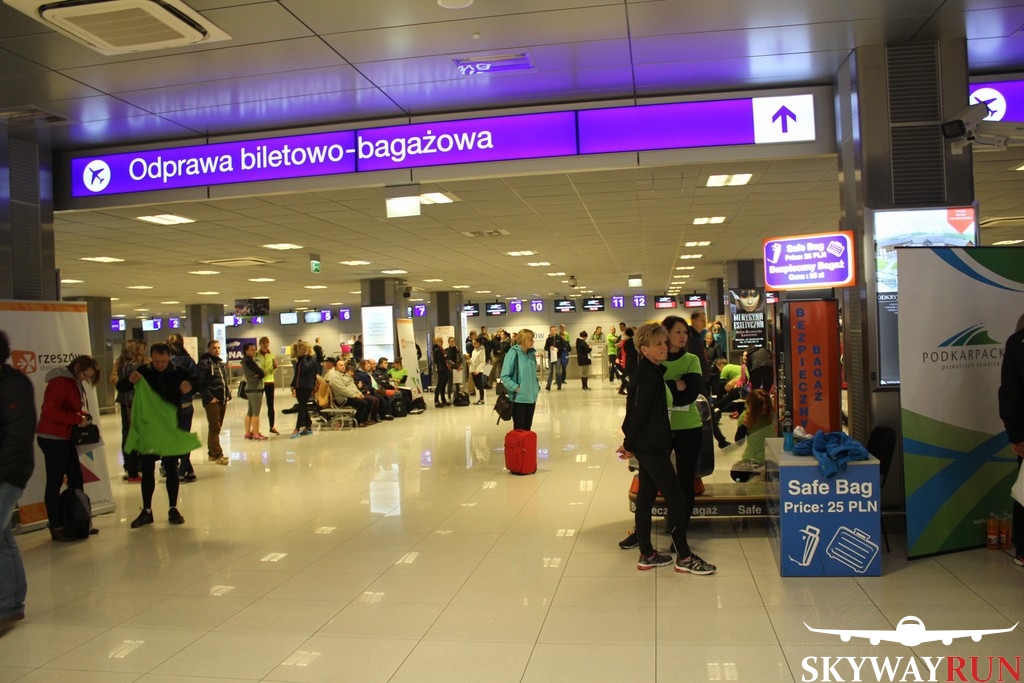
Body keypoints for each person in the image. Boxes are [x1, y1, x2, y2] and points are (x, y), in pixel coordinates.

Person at [621, 323, 715, 575]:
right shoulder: (649, 376)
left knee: (646, 497)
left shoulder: (652, 371)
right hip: (651, 446)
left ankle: (647, 554)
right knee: (676, 496)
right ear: (644, 349)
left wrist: (630, 441)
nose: (665, 347)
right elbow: (638, 412)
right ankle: (684, 557)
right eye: (658, 344)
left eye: (664, 342)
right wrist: (629, 444)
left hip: (652, 444)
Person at [125, 342, 197, 528]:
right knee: (147, 468)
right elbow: (121, 386)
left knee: (171, 467)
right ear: (151, 358)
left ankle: (173, 508)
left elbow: (200, 382)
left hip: (170, 427)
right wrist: (129, 381)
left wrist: (191, 385)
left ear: (168, 358)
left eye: (163, 361)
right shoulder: (143, 371)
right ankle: (147, 510)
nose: (159, 365)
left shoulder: (179, 371)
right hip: (149, 428)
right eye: (156, 361)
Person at [36, 354, 101, 542]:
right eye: (85, 375)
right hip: (52, 438)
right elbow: (50, 411)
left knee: (76, 477)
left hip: (64, 437)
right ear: (77, 367)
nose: (85, 379)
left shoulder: (73, 382)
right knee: (55, 482)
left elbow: (67, 407)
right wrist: (76, 419)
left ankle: (78, 520)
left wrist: (81, 414)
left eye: (88, 377)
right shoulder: (60, 382)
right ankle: (57, 526)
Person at [0, 330, 35, 634]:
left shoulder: (14, 386)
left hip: (8, 474)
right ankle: (11, 604)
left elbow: (16, 438)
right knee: (3, 537)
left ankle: (7, 607)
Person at [998, 313, 1024, 567]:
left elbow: (1010, 394)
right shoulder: (1018, 344)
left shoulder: (1017, 343)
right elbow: (1011, 394)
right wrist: (1016, 434)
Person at [167, 333, 200, 481]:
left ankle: (182, 470)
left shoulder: (167, 362)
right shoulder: (188, 360)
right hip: (186, 404)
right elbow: (197, 379)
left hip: (172, 406)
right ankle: (188, 469)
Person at [111, 339, 145, 482]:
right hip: (134, 403)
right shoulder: (135, 366)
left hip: (125, 403)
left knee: (127, 435)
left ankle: (130, 468)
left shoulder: (121, 365)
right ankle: (134, 470)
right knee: (135, 436)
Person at [197, 340, 230, 464]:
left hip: (221, 398)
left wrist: (227, 394)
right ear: (209, 348)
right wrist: (209, 397)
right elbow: (200, 382)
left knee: (216, 427)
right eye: (214, 348)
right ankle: (217, 454)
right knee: (215, 427)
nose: (217, 350)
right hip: (212, 401)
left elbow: (223, 380)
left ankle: (212, 453)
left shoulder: (219, 363)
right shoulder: (204, 363)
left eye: (218, 348)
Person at [500, 329, 540, 431]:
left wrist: (536, 387)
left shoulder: (531, 354)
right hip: (519, 399)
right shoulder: (513, 353)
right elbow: (504, 376)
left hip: (531, 397)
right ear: (523, 340)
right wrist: (516, 388)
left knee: (527, 428)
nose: (533, 342)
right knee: (519, 429)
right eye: (530, 339)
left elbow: (533, 374)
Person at [323, 358, 371, 426]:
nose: (343, 367)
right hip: (343, 399)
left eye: (344, 365)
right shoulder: (334, 377)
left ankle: (364, 420)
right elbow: (342, 390)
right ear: (335, 367)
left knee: (370, 401)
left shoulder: (345, 375)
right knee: (363, 403)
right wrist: (354, 395)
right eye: (341, 365)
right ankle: (358, 421)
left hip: (350, 396)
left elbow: (353, 386)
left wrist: (359, 393)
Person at [290, 340, 318, 437]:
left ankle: (297, 428)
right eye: (301, 349)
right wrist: (293, 384)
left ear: (309, 349)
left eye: (304, 349)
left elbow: (306, 368)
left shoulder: (312, 359)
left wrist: (305, 357)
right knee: (303, 406)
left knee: (301, 407)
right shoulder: (300, 359)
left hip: (307, 386)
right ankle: (308, 426)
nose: (302, 351)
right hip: (299, 386)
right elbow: (297, 373)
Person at [241, 342, 268, 440]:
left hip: (249, 388)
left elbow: (259, 373)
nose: (254, 351)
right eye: (252, 350)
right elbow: (261, 372)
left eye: (254, 349)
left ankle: (248, 433)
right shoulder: (249, 361)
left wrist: (259, 373)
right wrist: (260, 373)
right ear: (246, 351)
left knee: (250, 411)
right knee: (255, 413)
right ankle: (256, 433)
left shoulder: (245, 361)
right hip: (255, 388)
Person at [257, 336, 279, 434]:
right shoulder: (256, 355)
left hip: (269, 382)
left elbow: (273, 370)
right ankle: (256, 428)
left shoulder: (271, 355)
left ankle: (272, 426)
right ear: (260, 344)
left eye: (267, 343)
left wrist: (274, 367)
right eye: (263, 343)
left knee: (270, 405)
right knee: (257, 406)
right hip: (259, 382)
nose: (265, 345)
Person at [432, 337, 451, 407]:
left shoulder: (442, 349)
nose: (441, 343)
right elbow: (441, 359)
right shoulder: (436, 350)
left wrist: (445, 356)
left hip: (446, 368)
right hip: (441, 369)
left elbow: (447, 357)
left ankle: (443, 400)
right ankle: (436, 401)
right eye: (439, 341)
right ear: (436, 342)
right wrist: (445, 357)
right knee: (439, 385)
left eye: (441, 341)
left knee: (443, 385)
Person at [543, 326, 562, 391]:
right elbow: (545, 347)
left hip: (558, 357)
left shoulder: (559, 338)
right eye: (552, 330)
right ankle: (548, 386)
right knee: (550, 372)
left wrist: (558, 349)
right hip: (551, 357)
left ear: (556, 331)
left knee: (558, 372)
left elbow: (563, 346)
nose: (553, 331)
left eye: (554, 330)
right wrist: (549, 348)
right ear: (550, 331)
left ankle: (559, 385)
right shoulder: (548, 339)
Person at [469, 337, 487, 404]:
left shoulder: (482, 350)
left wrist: (478, 370)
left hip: (478, 370)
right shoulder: (474, 350)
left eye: (475, 343)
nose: (473, 344)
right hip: (473, 369)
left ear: (479, 343)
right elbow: (473, 360)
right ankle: (479, 398)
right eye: (473, 343)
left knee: (480, 385)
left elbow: (483, 362)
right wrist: (469, 360)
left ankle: (482, 399)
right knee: (477, 385)